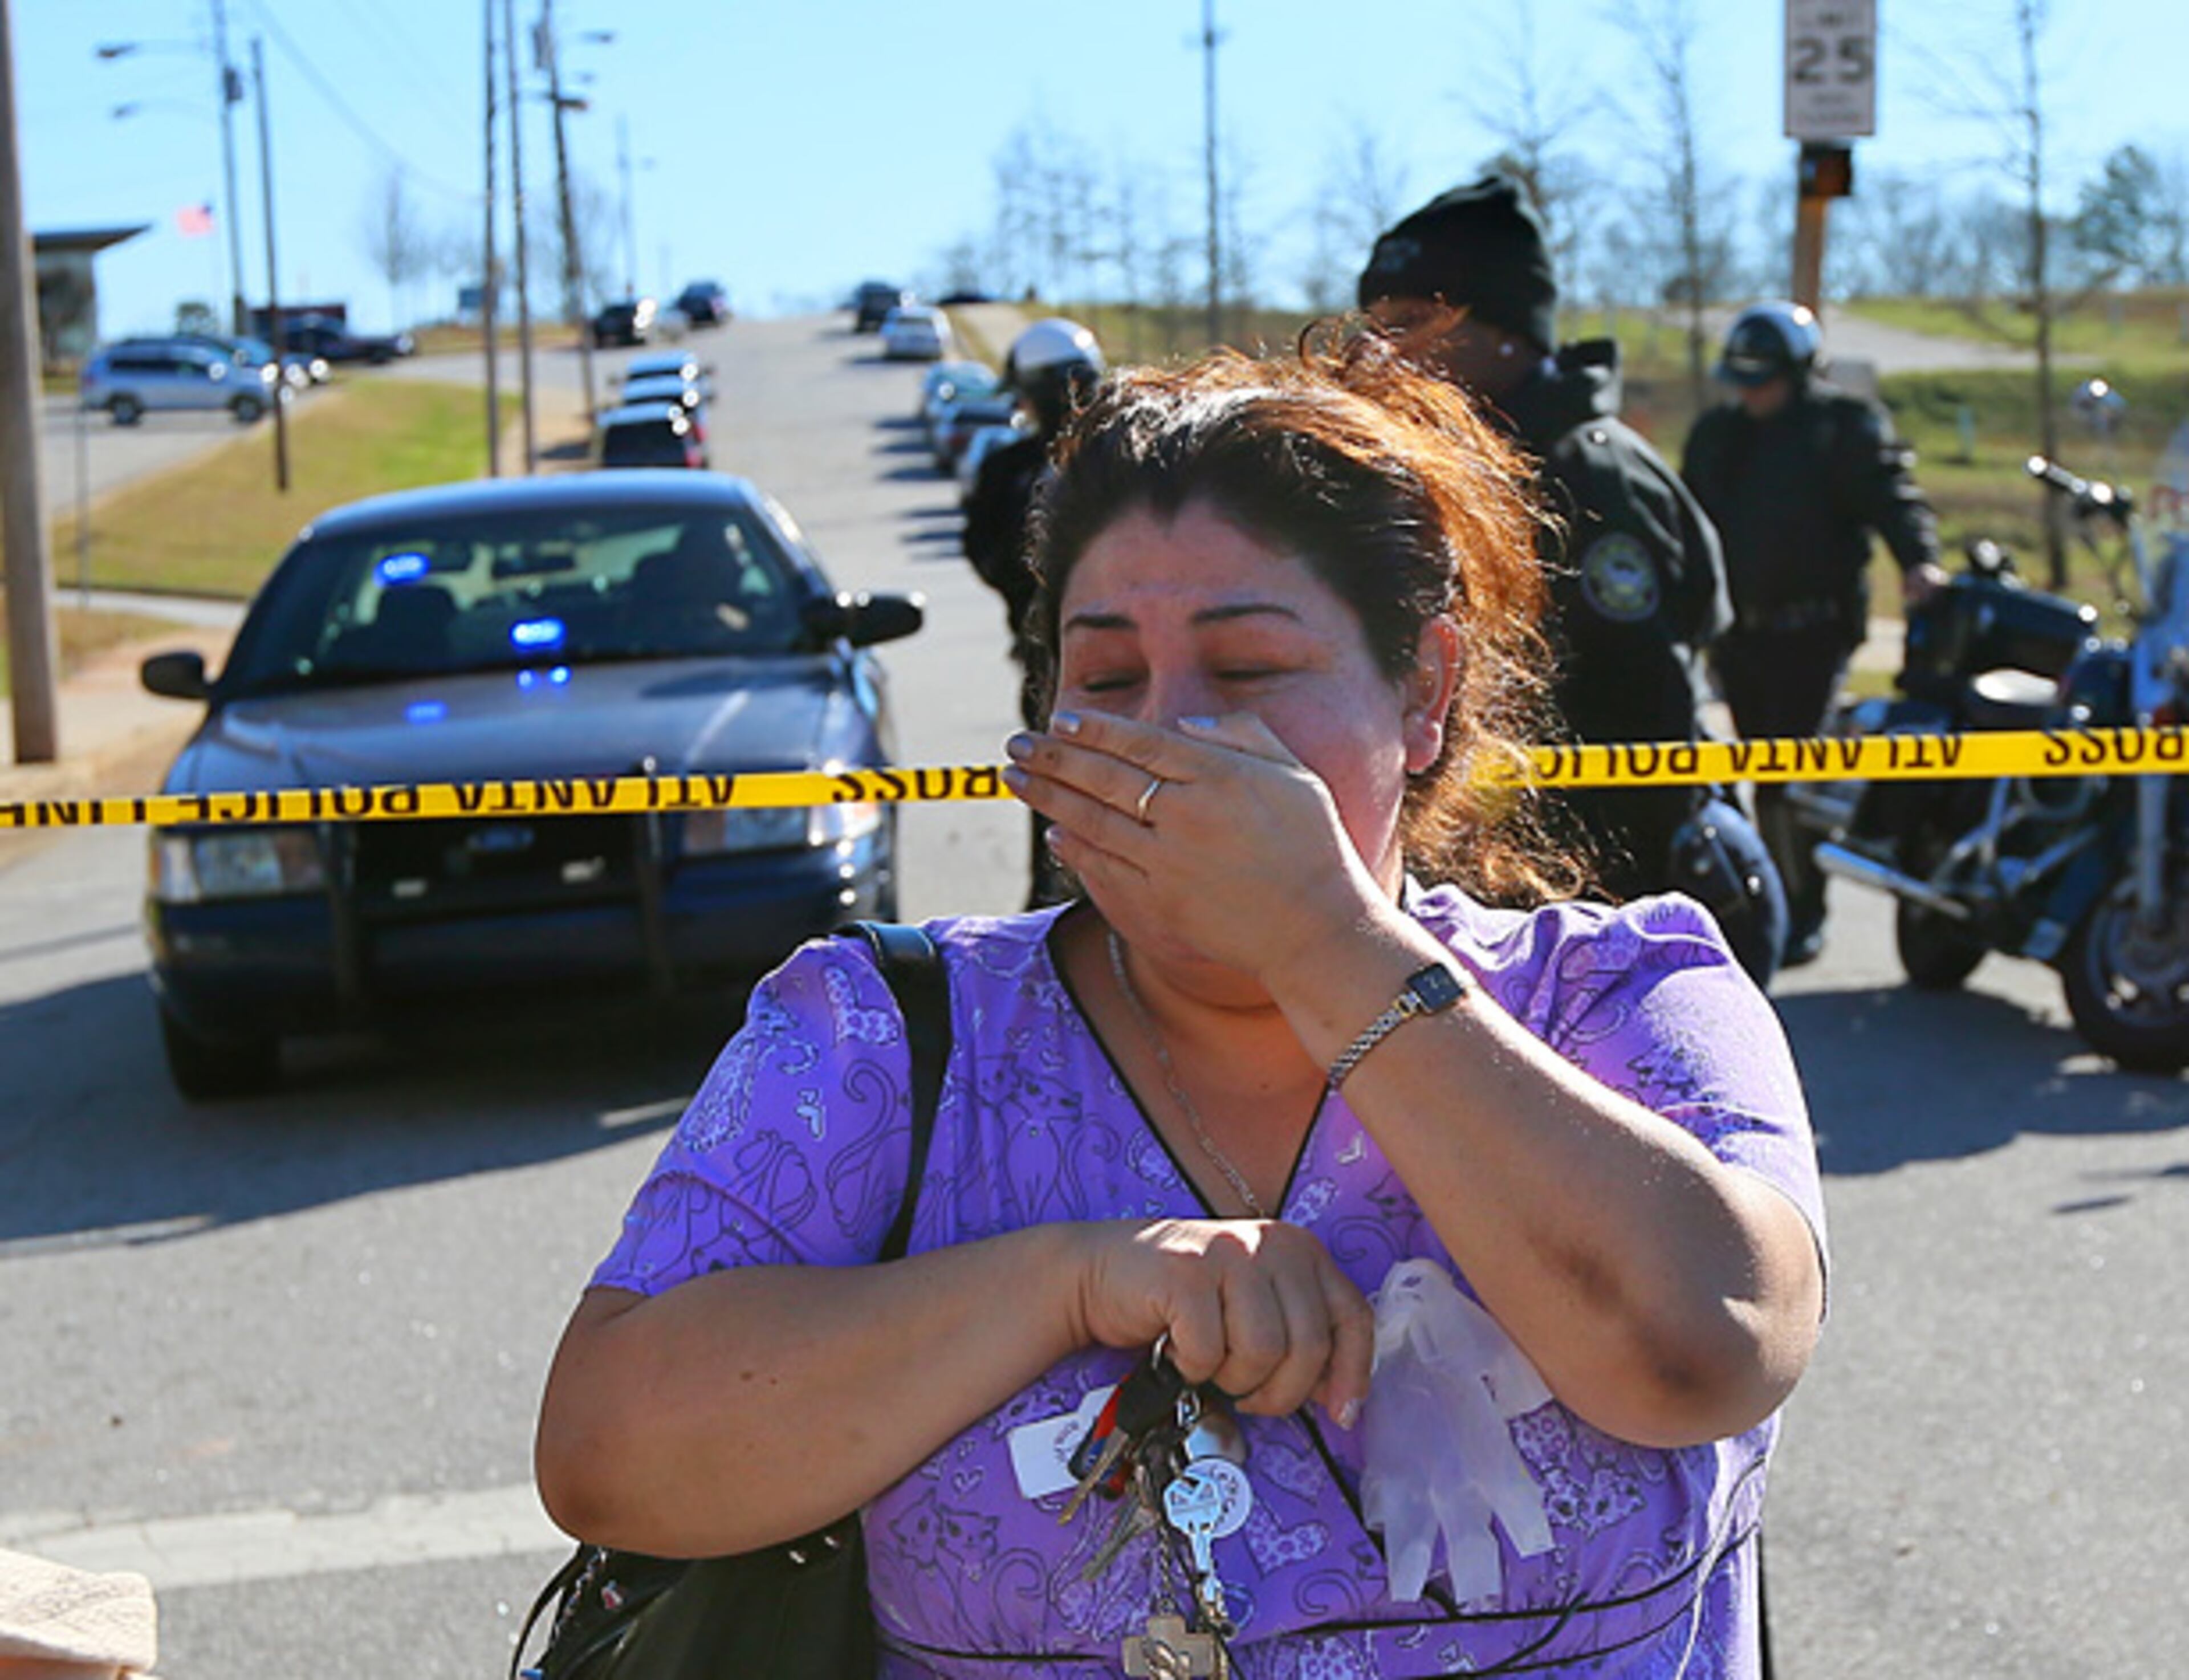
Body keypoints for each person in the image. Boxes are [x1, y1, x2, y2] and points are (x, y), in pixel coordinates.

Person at [535, 343, 1826, 1677]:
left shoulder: (1618, 994)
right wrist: (1075, 1280)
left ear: (1424, 693)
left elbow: (1707, 1349)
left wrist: (1320, 937)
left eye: (1250, 669)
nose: (1167, 738)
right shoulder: (881, 1035)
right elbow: (607, 1459)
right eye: (1104, 682)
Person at [1356, 174, 1787, 984]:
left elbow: (1645, 725)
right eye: (1374, 327)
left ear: (1508, 335)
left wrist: (1601, 966)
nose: (1385, 354)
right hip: (1496, 910)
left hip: (1604, 930)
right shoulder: (1447, 474)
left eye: (1412, 324)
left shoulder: (1591, 485)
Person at [1683, 302, 1947, 966]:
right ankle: (1762, 898)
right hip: (1741, 637)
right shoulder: (1718, 434)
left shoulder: (1843, 429)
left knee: (1791, 776)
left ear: (1799, 373)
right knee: (1754, 771)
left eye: (1763, 380)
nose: (1751, 394)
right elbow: (1686, 522)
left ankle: (1802, 910)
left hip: (1816, 632)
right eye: (1741, 380)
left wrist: (1919, 560)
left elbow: (1895, 496)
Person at [963, 315, 1108, 906]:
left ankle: (1060, 909)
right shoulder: (1146, 458)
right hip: (1061, 663)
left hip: (1049, 665)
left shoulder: (1016, 471)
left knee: (1054, 792)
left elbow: (985, 551)